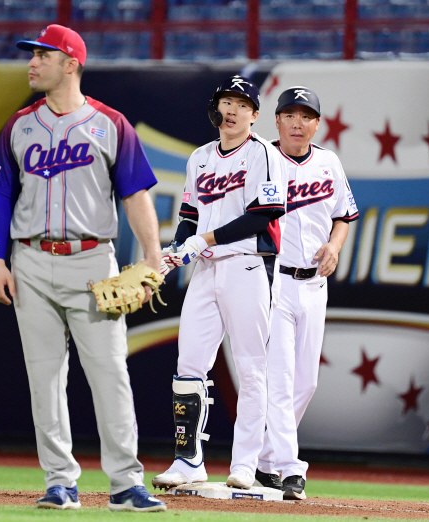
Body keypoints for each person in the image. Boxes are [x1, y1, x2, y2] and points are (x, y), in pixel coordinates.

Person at [0, 25, 166, 512]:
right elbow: (1, 196)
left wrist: (151, 255)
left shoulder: (110, 124)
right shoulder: (19, 125)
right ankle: (60, 482)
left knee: (110, 374)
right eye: (32, 55)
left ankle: (126, 483)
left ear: (71, 63)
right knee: (44, 377)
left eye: (43, 55)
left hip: (91, 260)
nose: (32, 63)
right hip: (30, 261)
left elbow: (135, 194)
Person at [151, 75, 287, 491]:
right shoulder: (200, 157)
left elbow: (263, 214)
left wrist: (201, 241)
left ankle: (245, 464)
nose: (232, 109)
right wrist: (172, 253)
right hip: (206, 270)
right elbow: (190, 217)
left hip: (248, 265)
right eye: (226, 101)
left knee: (250, 367)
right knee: (189, 364)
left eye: (242, 104)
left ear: (255, 115)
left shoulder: (263, 153)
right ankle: (187, 461)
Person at [254, 87, 359, 500]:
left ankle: (265, 462)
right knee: (279, 380)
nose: (298, 123)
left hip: (315, 283)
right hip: (274, 281)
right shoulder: (261, 158)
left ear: (317, 123)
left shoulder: (329, 162)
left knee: (307, 383)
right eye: (290, 115)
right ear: (276, 120)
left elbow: (344, 216)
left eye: (306, 116)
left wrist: (334, 246)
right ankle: (290, 468)